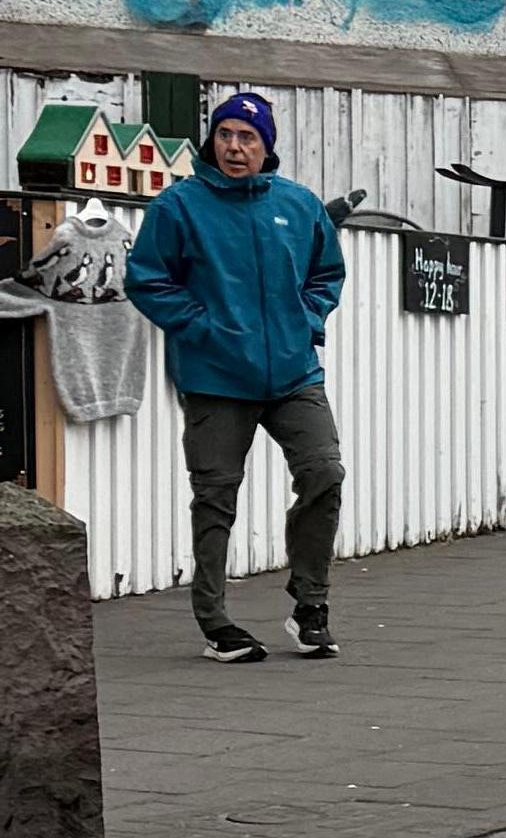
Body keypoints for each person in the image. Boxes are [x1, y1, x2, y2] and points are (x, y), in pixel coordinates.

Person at [125, 90, 346, 662]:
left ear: (266, 145)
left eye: (247, 137)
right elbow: (147, 279)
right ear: (212, 141)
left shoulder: (299, 205)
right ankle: (215, 621)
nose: (234, 147)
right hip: (216, 377)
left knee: (324, 472)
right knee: (216, 498)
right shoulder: (179, 206)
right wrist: (204, 330)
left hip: (294, 374)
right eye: (224, 134)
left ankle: (310, 604)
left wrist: (306, 321)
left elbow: (327, 273)